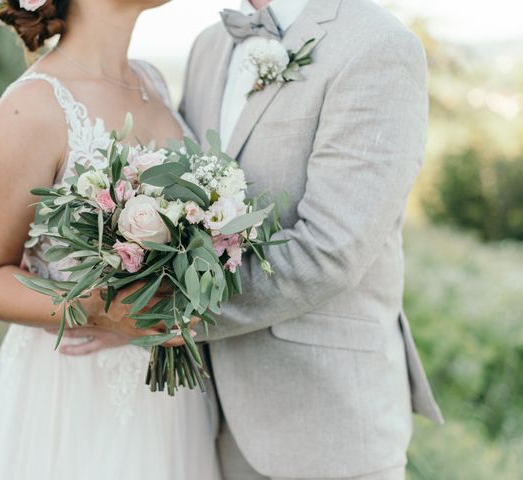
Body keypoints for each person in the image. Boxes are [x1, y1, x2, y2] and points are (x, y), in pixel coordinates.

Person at [178, 0, 445, 478]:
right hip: (203, 422)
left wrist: (165, 315)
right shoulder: (206, 47)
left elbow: (331, 249)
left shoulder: (377, 43)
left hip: (328, 425)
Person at [0, 1, 220, 478]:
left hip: (167, 397)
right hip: (73, 393)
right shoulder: (31, 106)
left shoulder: (152, 80)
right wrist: (100, 308)